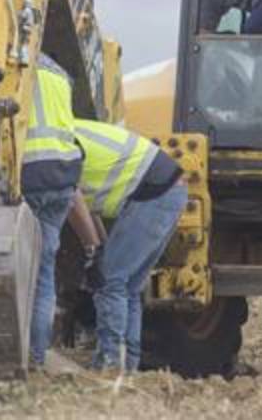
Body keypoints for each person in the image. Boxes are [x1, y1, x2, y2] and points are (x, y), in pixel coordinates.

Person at [71, 119, 187, 372]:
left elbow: (72, 196)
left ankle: (110, 364)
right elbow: (88, 207)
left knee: (110, 280)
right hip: (170, 192)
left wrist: (93, 251)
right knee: (129, 287)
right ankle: (128, 367)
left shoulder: (60, 145)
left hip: (153, 194)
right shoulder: (74, 132)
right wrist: (99, 246)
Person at [20, 53, 85, 368]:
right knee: (44, 271)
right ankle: (37, 356)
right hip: (62, 177)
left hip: (29, 175)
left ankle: (17, 350)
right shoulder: (61, 75)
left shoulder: (16, 67)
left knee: (19, 269)